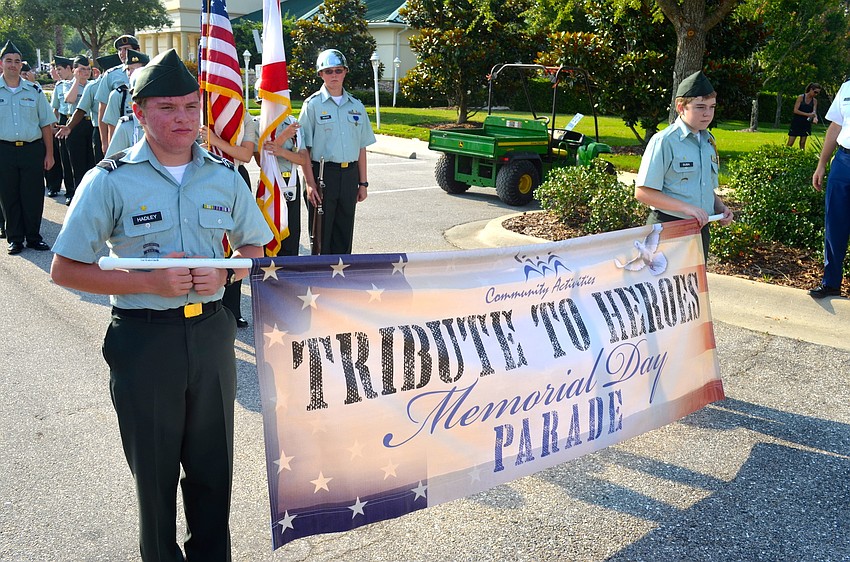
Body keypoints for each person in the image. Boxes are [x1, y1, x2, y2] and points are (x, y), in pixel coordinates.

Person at [49, 49, 272, 560]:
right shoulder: (108, 179)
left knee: (214, 472)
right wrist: (146, 282)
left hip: (213, 335)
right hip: (145, 340)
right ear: (139, 112)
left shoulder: (224, 176)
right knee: (155, 476)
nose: (182, 118)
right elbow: (65, 268)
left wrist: (227, 270)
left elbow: (254, 249)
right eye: (168, 107)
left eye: (191, 107)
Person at [634, 70, 733, 259]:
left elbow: (701, 186)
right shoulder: (664, 141)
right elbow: (643, 192)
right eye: (700, 107)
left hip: (698, 230)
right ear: (681, 107)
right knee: (665, 288)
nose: (707, 114)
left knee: (694, 288)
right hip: (668, 229)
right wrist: (687, 208)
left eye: (712, 107)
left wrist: (720, 208)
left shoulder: (708, 140)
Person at [299, 48, 376, 254]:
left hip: (349, 175)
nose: (334, 75)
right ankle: (320, 281)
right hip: (323, 175)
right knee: (321, 235)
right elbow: (303, 148)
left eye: (338, 70)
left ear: (345, 72)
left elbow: (361, 147)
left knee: (344, 232)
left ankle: (342, 279)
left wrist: (363, 183)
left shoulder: (357, 106)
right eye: (328, 71)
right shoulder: (312, 105)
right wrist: (309, 183)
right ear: (320, 74)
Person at [199, 112, 259, 327]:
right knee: (211, 238)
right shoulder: (202, 111)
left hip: (235, 175)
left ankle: (233, 309)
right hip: (203, 177)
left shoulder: (246, 118)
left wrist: (215, 141)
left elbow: (246, 155)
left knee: (238, 243)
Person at [0, 40, 56, 255]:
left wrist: (49, 153)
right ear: (1, 63)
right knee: (8, 195)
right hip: (4, 150)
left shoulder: (34, 90)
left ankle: (33, 237)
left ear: (21, 65)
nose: (13, 65)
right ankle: (14, 238)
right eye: (9, 61)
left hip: (32, 149)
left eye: (17, 61)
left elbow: (45, 123)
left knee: (32, 195)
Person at [810, 79, 850, 299]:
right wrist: (822, 164)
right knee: (835, 225)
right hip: (843, 161)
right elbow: (835, 126)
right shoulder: (846, 88)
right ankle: (831, 282)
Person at [55, 55, 95, 206]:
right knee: (75, 162)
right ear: (74, 70)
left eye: (88, 69)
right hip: (74, 125)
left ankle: (89, 194)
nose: (86, 72)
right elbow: (69, 100)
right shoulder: (68, 84)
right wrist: (77, 81)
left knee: (91, 162)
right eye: (82, 69)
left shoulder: (93, 84)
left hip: (90, 124)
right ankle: (73, 193)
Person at [94, 34, 139, 151]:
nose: (122, 53)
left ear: (137, 51)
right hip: (119, 132)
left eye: (126, 49)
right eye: (119, 50)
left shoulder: (149, 71)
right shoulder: (111, 75)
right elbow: (103, 109)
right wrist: (104, 141)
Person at [102, 49, 148, 147]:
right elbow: (112, 128)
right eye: (128, 69)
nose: (130, 73)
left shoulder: (157, 95)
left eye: (135, 69)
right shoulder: (118, 95)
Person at [50, 56, 76, 200]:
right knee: (65, 158)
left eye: (59, 69)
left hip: (77, 120)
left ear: (68, 68)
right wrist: (53, 126)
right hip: (63, 120)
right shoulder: (59, 87)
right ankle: (70, 192)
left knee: (78, 159)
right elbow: (55, 109)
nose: (57, 72)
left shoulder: (82, 83)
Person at [787, 83, 821, 150]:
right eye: (815, 92)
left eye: (818, 93)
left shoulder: (814, 101)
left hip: (806, 123)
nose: (816, 94)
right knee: (790, 142)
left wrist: (815, 118)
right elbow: (795, 110)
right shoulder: (801, 97)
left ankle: (802, 157)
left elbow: (814, 112)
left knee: (802, 143)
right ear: (811, 89)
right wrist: (807, 114)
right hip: (797, 122)